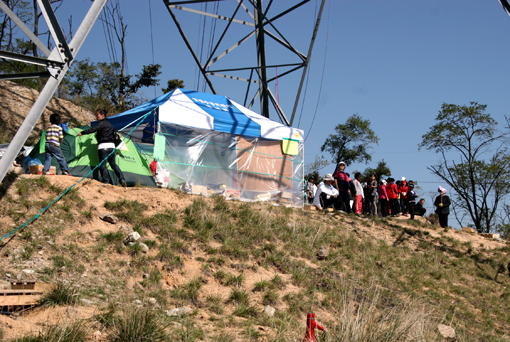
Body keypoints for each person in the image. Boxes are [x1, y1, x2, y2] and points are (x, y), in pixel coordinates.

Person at [78, 109, 127, 187]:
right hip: (111, 147)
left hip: (103, 146)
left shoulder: (101, 124)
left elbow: (92, 129)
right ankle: (122, 179)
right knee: (113, 164)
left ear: (102, 115)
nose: (96, 117)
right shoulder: (110, 125)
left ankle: (106, 181)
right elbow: (115, 135)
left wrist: (82, 133)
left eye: (98, 115)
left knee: (102, 165)